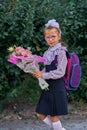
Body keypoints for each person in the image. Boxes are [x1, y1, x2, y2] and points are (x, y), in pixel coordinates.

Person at [33, 19, 68, 130]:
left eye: (53, 36)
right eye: (48, 37)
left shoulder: (61, 51)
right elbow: (46, 68)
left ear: (59, 36)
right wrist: (39, 73)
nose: (51, 39)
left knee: (53, 116)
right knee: (40, 113)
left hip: (57, 87)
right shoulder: (47, 52)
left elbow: (60, 72)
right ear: (45, 38)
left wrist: (44, 75)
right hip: (48, 87)